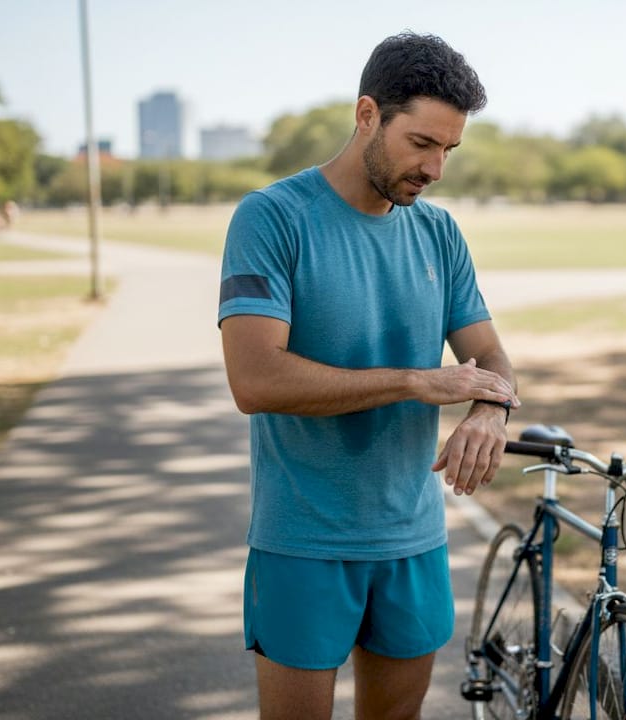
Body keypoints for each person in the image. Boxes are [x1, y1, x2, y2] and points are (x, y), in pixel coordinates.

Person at [217, 32, 519, 720]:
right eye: (421, 143)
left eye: (450, 149)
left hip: (415, 538)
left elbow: (492, 359)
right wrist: (415, 382)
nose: (437, 167)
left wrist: (488, 412)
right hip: (303, 541)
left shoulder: (439, 233)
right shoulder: (271, 218)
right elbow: (255, 381)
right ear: (366, 115)